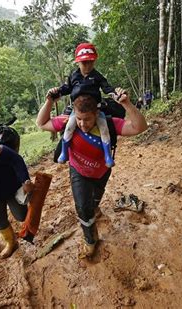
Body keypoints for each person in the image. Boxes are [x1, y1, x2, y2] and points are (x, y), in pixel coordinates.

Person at [36, 89, 147, 259]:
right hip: (78, 172)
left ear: (96, 114)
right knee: (82, 207)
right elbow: (41, 123)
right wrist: (50, 101)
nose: (82, 124)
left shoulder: (109, 124)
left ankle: (95, 208)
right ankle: (90, 240)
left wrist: (126, 103)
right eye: (79, 119)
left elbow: (140, 127)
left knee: (95, 200)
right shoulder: (68, 122)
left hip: (102, 172)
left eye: (87, 119)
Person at [47, 42, 118, 168]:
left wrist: (114, 93)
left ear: (94, 61)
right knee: (69, 127)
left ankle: (107, 155)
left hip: (95, 109)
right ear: (78, 62)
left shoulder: (97, 76)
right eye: (84, 62)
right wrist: (56, 91)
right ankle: (64, 152)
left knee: (104, 128)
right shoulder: (74, 76)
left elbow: (106, 87)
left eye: (90, 62)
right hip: (78, 110)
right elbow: (66, 88)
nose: (87, 65)